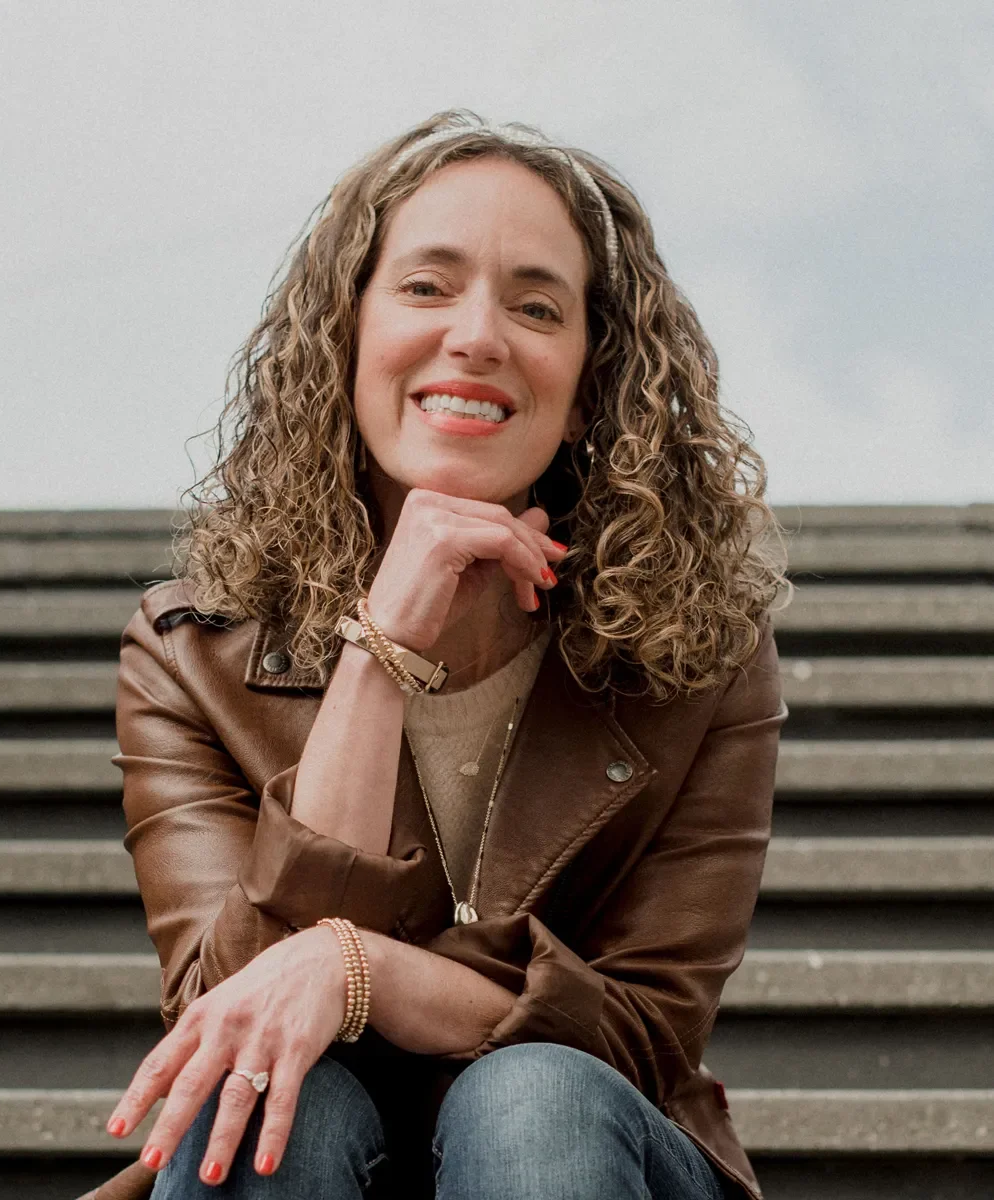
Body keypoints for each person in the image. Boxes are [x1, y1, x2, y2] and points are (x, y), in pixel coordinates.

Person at [86, 109, 790, 1200]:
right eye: (426, 286)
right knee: (282, 1091)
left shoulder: (700, 657)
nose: (477, 335)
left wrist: (356, 967)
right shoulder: (190, 656)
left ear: (591, 382)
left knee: (535, 1098)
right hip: (302, 1146)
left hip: (587, 1155)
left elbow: (644, 1033)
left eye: (537, 305)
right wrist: (379, 651)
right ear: (346, 333)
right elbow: (226, 1003)